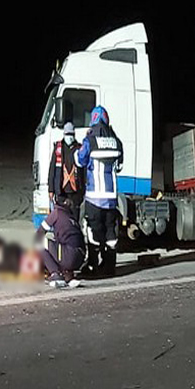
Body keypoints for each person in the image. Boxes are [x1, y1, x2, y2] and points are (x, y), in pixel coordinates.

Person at [78, 106, 123, 277]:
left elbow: (80, 160)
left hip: (94, 198)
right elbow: (119, 166)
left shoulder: (90, 140)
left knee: (93, 233)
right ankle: (110, 266)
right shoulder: (116, 141)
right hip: (111, 199)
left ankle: (92, 266)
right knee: (110, 233)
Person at [36, 196, 86, 288]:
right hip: (80, 257)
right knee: (62, 245)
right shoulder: (72, 217)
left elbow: (39, 233)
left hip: (68, 255)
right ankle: (68, 275)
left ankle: (55, 274)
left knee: (39, 243)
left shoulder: (57, 213)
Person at [48, 121, 86, 220]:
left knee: (74, 219)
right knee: (61, 218)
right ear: (64, 134)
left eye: (71, 134)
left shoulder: (79, 148)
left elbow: (84, 171)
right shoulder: (58, 148)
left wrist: (84, 189)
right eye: (67, 134)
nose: (69, 137)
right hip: (61, 191)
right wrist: (51, 189)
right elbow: (52, 169)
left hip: (75, 192)